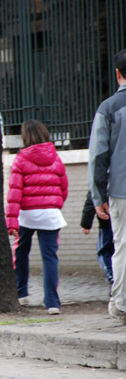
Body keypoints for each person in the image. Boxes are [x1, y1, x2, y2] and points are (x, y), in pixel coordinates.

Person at [6, 120, 68, 315]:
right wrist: (54, 205)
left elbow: (15, 192)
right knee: (50, 258)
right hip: (50, 215)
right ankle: (52, 303)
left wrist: (11, 221)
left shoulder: (21, 159)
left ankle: (21, 294)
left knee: (21, 252)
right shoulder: (56, 158)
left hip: (26, 215)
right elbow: (63, 188)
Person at [88, 49, 126, 322]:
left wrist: (98, 194)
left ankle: (122, 304)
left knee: (122, 246)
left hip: (121, 191)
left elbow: (98, 156)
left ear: (117, 73)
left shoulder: (109, 108)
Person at [80, 191, 114, 286]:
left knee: (104, 251)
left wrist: (86, 224)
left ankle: (112, 277)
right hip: (118, 223)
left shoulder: (100, 181)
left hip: (106, 225)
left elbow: (91, 200)